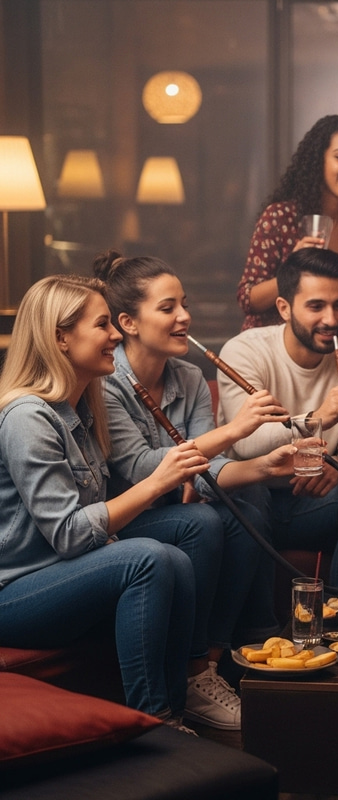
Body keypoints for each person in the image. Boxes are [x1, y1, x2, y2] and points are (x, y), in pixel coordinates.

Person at [97, 250, 305, 730]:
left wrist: (262, 466)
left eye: (184, 304)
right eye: (168, 308)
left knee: (248, 502)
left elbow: (207, 468)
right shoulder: (108, 384)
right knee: (203, 520)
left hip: (175, 507)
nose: (184, 316)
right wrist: (235, 431)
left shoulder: (189, 376)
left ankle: (208, 665)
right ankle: (192, 672)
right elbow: (141, 469)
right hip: (126, 517)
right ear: (128, 322)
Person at [0, 274, 208, 731]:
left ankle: (181, 702)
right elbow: (70, 534)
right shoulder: (27, 417)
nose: (116, 335)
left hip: (60, 569)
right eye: (102, 325)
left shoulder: (81, 407)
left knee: (182, 546)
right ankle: (155, 721)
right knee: (149, 559)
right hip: (16, 593)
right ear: (60, 337)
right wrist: (158, 482)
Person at [220, 247, 338, 600]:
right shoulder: (244, 352)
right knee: (252, 492)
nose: (331, 319)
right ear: (284, 308)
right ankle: (256, 633)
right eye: (316, 306)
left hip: (311, 502)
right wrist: (318, 418)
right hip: (251, 498)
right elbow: (246, 443)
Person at [238, 113, 338, 337]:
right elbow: (248, 300)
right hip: (272, 351)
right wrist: (293, 268)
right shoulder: (281, 218)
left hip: (334, 353)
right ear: (319, 161)